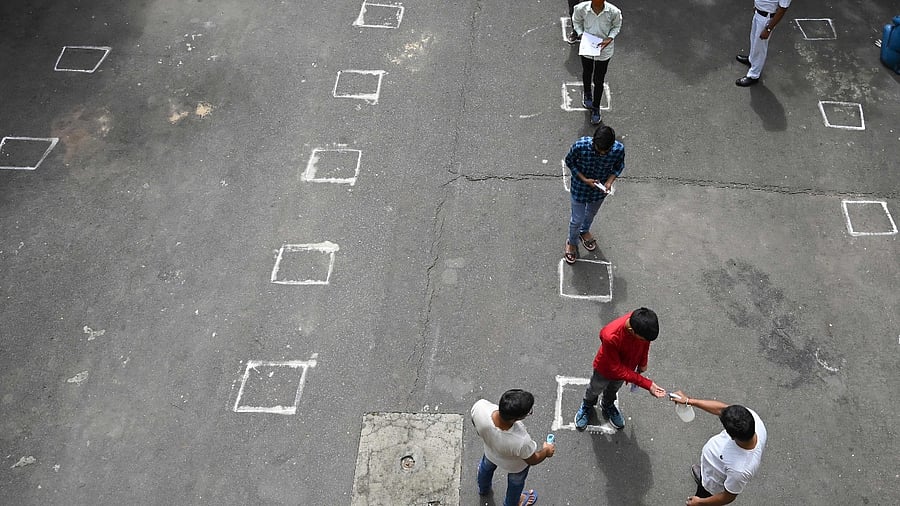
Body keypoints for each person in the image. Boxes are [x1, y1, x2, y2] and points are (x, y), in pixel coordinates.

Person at [668, 391, 768, 505]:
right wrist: (688, 401)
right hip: (712, 470)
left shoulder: (739, 470)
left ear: (732, 436)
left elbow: (727, 496)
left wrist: (699, 502)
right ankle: (703, 477)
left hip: (714, 486)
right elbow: (722, 409)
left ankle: (704, 486)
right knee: (704, 479)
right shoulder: (749, 417)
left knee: (703, 493)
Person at [574, 308, 667, 430]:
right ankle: (587, 405)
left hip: (627, 368)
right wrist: (647, 384)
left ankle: (607, 404)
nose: (645, 341)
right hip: (605, 370)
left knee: (613, 389)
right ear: (632, 331)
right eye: (643, 338)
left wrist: (643, 362)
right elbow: (616, 369)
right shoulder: (610, 336)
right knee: (594, 389)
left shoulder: (641, 324)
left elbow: (646, 342)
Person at [472, 389, 555, 506]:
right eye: (528, 412)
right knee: (516, 483)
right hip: (515, 466)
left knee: (485, 468)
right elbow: (533, 459)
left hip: (490, 452)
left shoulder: (480, 407)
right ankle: (511, 503)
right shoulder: (521, 440)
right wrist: (546, 451)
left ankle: (483, 489)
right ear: (516, 418)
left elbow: (475, 425)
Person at [563, 125, 623, 264]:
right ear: (593, 141)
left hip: (599, 190)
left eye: (605, 151)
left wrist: (609, 182)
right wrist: (584, 179)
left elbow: (619, 166)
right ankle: (571, 242)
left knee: (590, 213)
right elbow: (569, 161)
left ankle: (584, 231)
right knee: (576, 219)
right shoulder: (581, 145)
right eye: (599, 150)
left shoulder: (618, 149)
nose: (602, 153)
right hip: (580, 187)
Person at [571, 0, 622, 124]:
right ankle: (587, 93)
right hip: (588, 46)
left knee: (599, 79)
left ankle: (596, 107)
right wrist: (581, 34)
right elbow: (576, 21)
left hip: (604, 49)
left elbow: (616, 26)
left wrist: (609, 38)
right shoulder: (581, 8)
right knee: (587, 71)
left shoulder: (614, 12)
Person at [735, 0, 792, 86]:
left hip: (766, 19)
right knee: (754, 39)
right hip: (758, 13)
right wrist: (757, 6)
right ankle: (752, 59)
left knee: (760, 46)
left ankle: (754, 75)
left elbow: (782, 9)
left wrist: (768, 29)